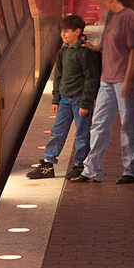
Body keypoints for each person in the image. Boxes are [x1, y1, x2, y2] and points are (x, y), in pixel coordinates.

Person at [83, 0, 134, 185]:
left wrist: (128, 80)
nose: (99, 3)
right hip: (107, 79)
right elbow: (113, 43)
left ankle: (131, 169)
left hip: (125, 80)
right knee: (99, 123)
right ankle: (91, 169)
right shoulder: (111, 16)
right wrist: (97, 47)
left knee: (128, 125)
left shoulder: (130, 18)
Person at [30, 13, 104, 181]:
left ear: (77, 32)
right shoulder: (63, 52)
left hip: (79, 100)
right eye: (62, 31)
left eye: (67, 31)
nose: (63, 35)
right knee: (58, 130)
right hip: (64, 99)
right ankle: (48, 163)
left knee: (82, 134)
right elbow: (58, 76)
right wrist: (56, 98)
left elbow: (90, 80)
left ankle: (80, 165)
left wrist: (86, 103)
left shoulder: (85, 54)